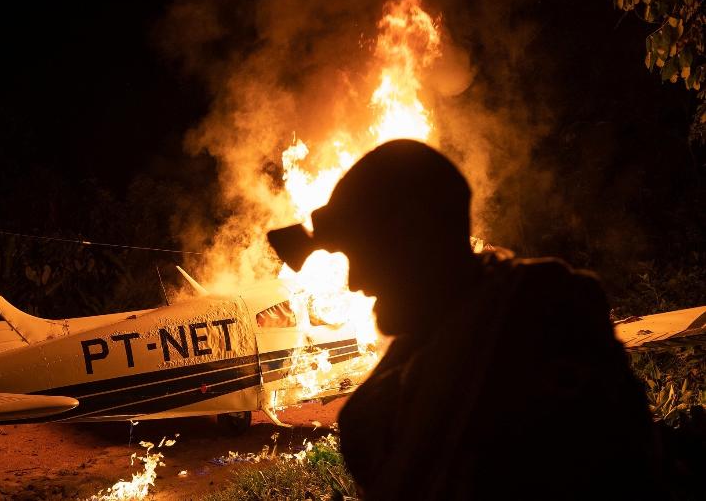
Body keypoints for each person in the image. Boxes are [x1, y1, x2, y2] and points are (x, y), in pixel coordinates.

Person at [267, 140, 664, 500]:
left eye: (359, 255)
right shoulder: (423, 348)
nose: (354, 283)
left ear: (411, 240)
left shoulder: (540, 321)